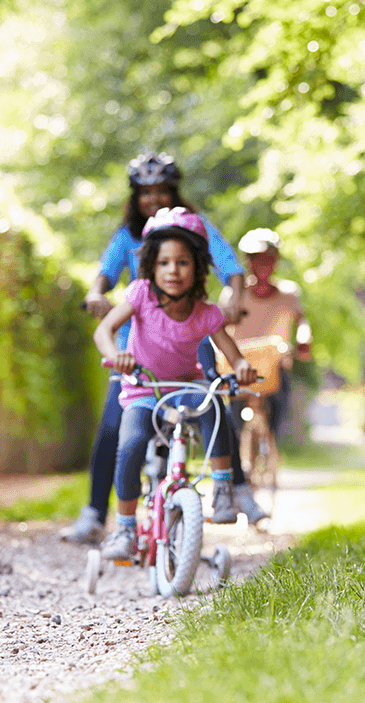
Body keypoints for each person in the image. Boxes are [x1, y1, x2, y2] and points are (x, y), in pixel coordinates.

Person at [62, 152, 261, 542]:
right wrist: (95, 294)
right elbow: (102, 277)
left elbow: (229, 266)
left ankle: (234, 488)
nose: (153, 198)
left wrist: (233, 298)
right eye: (145, 192)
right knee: (115, 430)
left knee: (213, 399)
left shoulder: (196, 230)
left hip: (190, 339)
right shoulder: (128, 242)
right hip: (135, 354)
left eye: (162, 191)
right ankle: (97, 514)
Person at [93, 207, 258, 560]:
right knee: (132, 444)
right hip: (144, 389)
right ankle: (124, 528)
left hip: (187, 386)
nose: (173, 270)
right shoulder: (140, 295)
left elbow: (233, 352)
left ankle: (224, 489)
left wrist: (242, 366)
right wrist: (115, 355)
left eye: (183, 262)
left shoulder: (206, 312)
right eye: (164, 262)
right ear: (152, 265)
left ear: (198, 267)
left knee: (216, 406)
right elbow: (103, 330)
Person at [218, 228, 313, 441]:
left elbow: (301, 320)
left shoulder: (289, 293)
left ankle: (271, 448)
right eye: (256, 259)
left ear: (276, 261)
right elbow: (217, 327)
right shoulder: (234, 294)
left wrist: (304, 339)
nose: (263, 264)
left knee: (277, 414)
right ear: (248, 261)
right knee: (233, 424)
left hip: (275, 365)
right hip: (240, 364)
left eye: (268, 259)